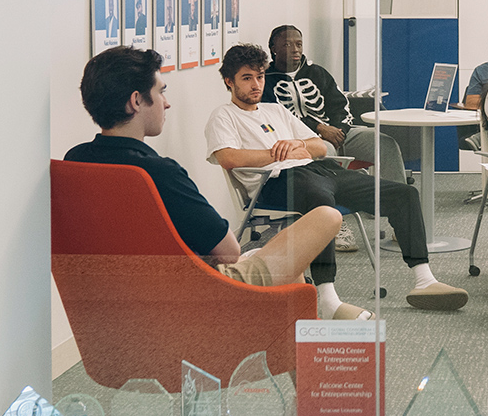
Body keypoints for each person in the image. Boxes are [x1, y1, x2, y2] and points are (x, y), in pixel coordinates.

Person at [64, 46, 343, 302]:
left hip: (118, 294)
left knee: (272, 260)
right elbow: (229, 253)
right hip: (194, 290)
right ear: (136, 101)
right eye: (161, 92)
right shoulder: (158, 172)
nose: (167, 103)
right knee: (326, 217)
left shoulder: (74, 161)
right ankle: (320, 311)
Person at [207, 43, 469, 312]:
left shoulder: (275, 111)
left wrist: (299, 147)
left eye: (259, 77)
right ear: (230, 82)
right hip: (274, 182)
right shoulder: (223, 116)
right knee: (322, 205)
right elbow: (229, 158)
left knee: (403, 194)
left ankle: (424, 280)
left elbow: (320, 147)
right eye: (246, 78)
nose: (256, 85)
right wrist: (277, 153)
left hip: (319, 170)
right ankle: (329, 299)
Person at [265, 24, 407, 185]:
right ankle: (336, 203)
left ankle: (395, 201)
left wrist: (339, 131)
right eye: (287, 45)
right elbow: (276, 117)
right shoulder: (265, 80)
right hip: (303, 140)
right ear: (273, 48)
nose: (295, 49)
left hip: (337, 133)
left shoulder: (317, 73)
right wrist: (319, 129)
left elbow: (341, 106)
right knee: (326, 151)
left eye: (299, 44)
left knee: (385, 143)